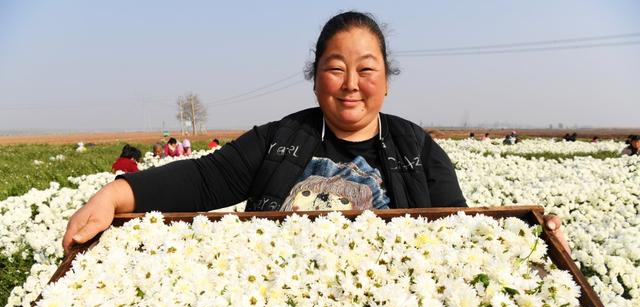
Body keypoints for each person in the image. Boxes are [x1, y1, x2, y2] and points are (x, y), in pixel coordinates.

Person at [63, 11, 569, 254]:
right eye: (335, 68)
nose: (351, 85)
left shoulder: (418, 148)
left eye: (366, 70)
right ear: (315, 78)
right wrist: (118, 192)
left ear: (386, 82)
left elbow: (461, 234)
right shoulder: (280, 139)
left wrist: (531, 242)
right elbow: (201, 181)